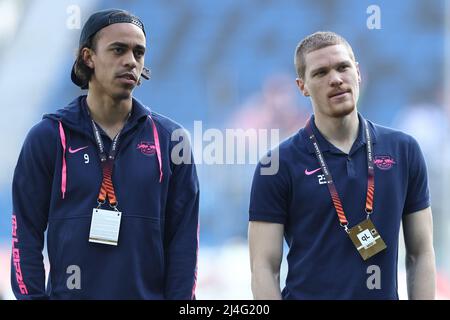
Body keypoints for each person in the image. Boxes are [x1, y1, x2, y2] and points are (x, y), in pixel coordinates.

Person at [11, 8, 199, 299]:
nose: (130, 61)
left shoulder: (172, 141)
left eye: (139, 53)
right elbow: (24, 234)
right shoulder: (48, 137)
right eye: (118, 50)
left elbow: (184, 243)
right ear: (88, 57)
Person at [248, 31, 436, 299]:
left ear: (357, 72)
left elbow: (420, 253)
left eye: (343, 67)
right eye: (321, 72)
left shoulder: (403, 150)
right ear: (302, 86)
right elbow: (264, 268)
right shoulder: (276, 164)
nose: (335, 79)